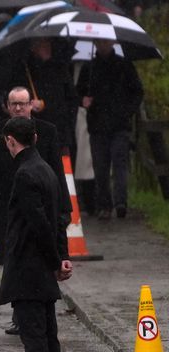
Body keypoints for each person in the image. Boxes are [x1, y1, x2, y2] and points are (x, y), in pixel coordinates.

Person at [0, 87, 71, 335]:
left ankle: (35, 312)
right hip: (5, 206)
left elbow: (57, 173)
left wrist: (65, 208)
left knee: (35, 257)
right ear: (7, 106)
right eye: (13, 104)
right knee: (10, 260)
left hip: (38, 204)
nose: (18, 108)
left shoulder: (46, 132)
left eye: (23, 104)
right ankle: (21, 314)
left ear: (31, 106)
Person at [0, 116, 73, 352]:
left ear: (11, 141)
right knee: (49, 340)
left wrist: (56, 261)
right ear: (36, 138)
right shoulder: (47, 171)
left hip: (29, 269)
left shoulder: (25, 174)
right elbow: (57, 220)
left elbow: (38, 222)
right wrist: (61, 257)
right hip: (43, 268)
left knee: (36, 342)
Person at [76, 39, 144, 220]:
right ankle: (104, 205)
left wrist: (127, 111)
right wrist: (83, 100)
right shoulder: (89, 68)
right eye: (99, 42)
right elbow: (78, 93)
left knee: (120, 164)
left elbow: (137, 91)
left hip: (119, 125)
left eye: (106, 41)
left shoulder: (124, 65)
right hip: (97, 125)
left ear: (112, 42)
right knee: (101, 168)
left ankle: (121, 202)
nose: (103, 44)